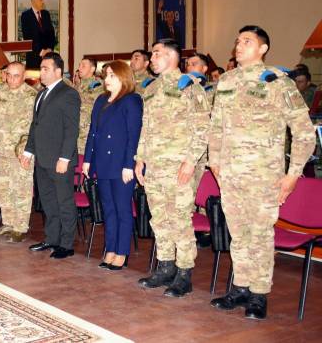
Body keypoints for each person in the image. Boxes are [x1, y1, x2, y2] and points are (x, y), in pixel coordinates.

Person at [209, 25, 316, 320]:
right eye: (238, 41)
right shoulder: (226, 81)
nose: (239, 45)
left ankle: (258, 294)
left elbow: (304, 132)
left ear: (263, 49)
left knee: (259, 235)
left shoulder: (278, 82)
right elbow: (216, 126)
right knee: (238, 234)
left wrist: (293, 174)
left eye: (247, 41)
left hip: (264, 175)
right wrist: (215, 161)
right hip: (230, 174)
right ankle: (240, 287)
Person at [135, 39, 210, 296]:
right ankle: (165, 266)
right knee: (159, 218)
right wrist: (140, 158)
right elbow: (145, 127)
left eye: (157, 54)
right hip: (155, 166)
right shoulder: (151, 88)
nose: (152, 59)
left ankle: (184, 273)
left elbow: (202, 128)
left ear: (172, 56)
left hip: (179, 166)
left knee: (180, 219)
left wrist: (190, 162)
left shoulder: (190, 86)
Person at [81, 60, 143, 269]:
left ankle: (122, 252)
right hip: (103, 162)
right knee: (108, 209)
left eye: (112, 76)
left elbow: (133, 136)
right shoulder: (101, 100)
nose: (106, 79)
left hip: (121, 164)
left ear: (123, 77)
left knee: (122, 209)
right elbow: (93, 132)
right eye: (106, 75)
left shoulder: (131, 100)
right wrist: (88, 159)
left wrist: (129, 164)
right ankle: (110, 249)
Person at [23, 53, 80, 256]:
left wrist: (65, 158)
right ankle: (52, 238)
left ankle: (66, 244)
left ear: (58, 71)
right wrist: (28, 151)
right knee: (48, 202)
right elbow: (35, 125)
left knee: (64, 203)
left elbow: (71, 129)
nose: (41, 72)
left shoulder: (68, 93)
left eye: (45, 68)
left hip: (59, 160)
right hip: (43, 158)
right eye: (41, 68)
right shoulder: (41, 94)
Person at [0, 62, 38, 242]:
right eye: (9, 75)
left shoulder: (32, 96)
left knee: (21, 189)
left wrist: (28, 150)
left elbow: (37, 126)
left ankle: (20, 227)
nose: (12, 79)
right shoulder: (1, 93)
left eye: (16, 76)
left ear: (23, 76)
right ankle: (8, 223)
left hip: (22, 152)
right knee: (3, 188)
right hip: (4, 151)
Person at [72, 57, 104, 163]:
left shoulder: (98, 87)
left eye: (83, 66)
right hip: (74, 135)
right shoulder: (77, 87)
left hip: (87, 136)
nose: (80, 68)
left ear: (92, 69)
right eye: (79, 65)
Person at [20, 0, 56, 69]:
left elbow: (52, 35)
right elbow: (28, 37)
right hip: (34, 59)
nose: (43, 2)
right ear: (33, 0)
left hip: (47, 59)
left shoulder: (46, 14)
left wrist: (49, 49)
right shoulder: (25, 16)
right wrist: (42, 52)